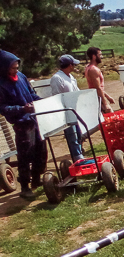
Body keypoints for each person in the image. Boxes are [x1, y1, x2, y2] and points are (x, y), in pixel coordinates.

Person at [0, 50, 47, 200]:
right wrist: (21, 109)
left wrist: (41, 101)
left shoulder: (21, 77)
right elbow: (3, 107)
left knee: (41, 151)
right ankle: (25, 186)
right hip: (22, 124)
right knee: (25, 156)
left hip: (35, 119)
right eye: (13, 68)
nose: (16, 70)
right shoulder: (1, 85)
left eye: (17, 67)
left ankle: (37, 178)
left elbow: (31, 94)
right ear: (4, 67)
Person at [49, 54, 85, 163]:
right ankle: (77, 157)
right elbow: (56, 96)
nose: (74, 66)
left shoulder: (70, 77)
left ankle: (79, 153)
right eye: (73, 64)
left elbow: (76, 90)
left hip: (75, 109)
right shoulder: (57, 78)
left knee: (79, 133)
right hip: (66, 111)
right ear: (70, 65)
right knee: (71, 135)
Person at [85, 47, 115, 114]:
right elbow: (97, 88)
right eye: (100, 55)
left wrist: (108, 96)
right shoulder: (93, 70)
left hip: (97, 98)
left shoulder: (88, 67)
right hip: (98, 99)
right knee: (111, 118)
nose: (102, 57)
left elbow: (98, 87)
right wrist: (105, 104)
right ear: (94, 56)